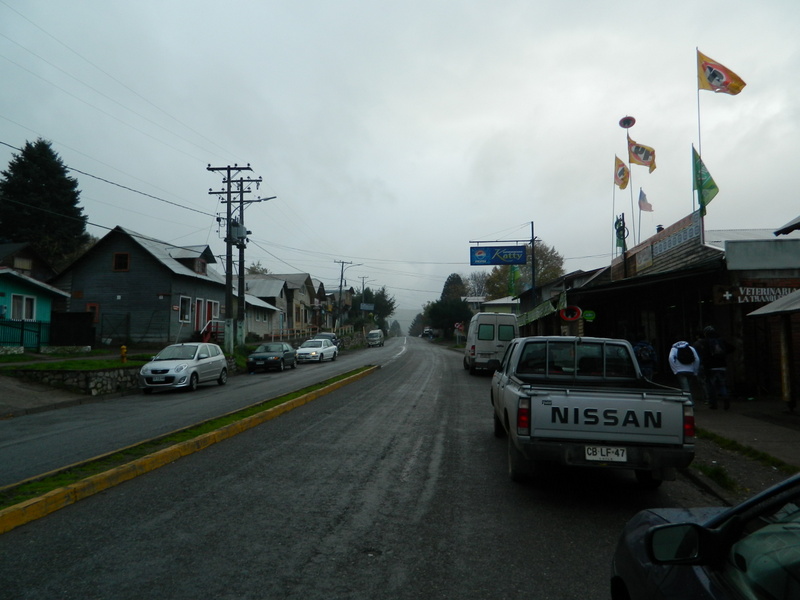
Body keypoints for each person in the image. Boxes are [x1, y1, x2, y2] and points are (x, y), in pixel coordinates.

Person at [696, 326, 732, 410]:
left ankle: (714, 404)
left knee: (711, 386)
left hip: (710, 367)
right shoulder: (721, 341)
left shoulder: (705, 342)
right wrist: (723, 354)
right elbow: (731, 347)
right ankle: (726, 399)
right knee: (722, 385)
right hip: (722, 366)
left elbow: (704, 355)